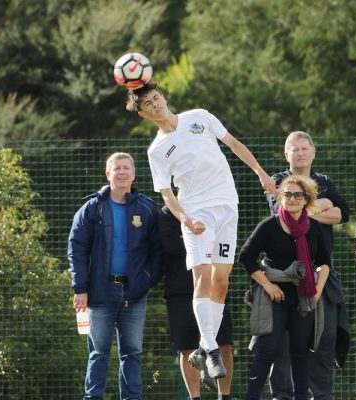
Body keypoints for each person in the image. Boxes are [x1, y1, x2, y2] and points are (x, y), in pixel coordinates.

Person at [126, 82, 275, 381]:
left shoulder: (200, 116)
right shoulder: (156, 150)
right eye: (149, 104)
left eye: (157, 98)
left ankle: (204, 350)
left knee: (221, 282)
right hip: (197, 214)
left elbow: (233, 143)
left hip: (227, 206)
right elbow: (166, 194)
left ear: (163, 97)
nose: (156, 104)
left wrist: (260, 171)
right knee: (203, 276)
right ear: (143, 114)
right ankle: (209, 347)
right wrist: (185, 219)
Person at [67, 152, 163, 400]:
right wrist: (80, 288)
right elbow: (76, 248)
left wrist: (146, 280)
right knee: (98, 354)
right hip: (98, 295)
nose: (122, 172)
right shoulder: (92, 208)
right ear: (108, 174)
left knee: (131, 354)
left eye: (126, 168)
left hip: (134, 295)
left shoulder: (147, 209)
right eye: (116, 168)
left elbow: (158, 251)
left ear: (133, 174)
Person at [267, 131, 350, 400]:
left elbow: (342, 213)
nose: (300, 153)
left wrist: (310, 208)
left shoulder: (324, 181)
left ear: (313, 152)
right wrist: (323, 205)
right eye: (295, 149)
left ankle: (322, 396)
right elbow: (287, 215)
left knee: (323, 341)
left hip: (321, 274)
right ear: (286, 154)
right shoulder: (277, 181)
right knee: (282, 344)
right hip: (285, 277)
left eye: (305, 148)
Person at [240, 174, 331, 400]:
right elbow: (246, 257)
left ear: (306, 199)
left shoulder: (314, 227)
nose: (292, 198)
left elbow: (325, 263)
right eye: (287, 194)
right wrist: (268, 286)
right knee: (267, 351)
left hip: (303, 295)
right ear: (280, 198)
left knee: (300, 352)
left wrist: (317, 291)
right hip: (274, 296)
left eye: (297, 195)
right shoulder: (269, 226)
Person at [160, 205, 237, 400]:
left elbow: (222, 245)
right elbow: (172, 246)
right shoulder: (168, 213)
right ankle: (195, 397)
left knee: (224, 343)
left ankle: (225, 396)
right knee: (187, 347)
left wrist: (203, 239)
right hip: (180, 291)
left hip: (213, 290)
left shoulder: (214, 207)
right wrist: (204, 239)